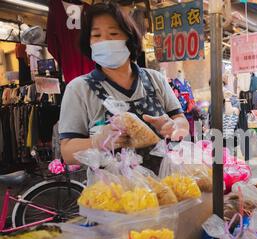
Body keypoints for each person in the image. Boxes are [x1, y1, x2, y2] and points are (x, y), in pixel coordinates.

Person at [58, 2, 189, 172]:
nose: (104, 41)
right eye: (96, 35)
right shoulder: (79, 88)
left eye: (113, 33)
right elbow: (67, 152)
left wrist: (173, 127)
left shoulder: (155, 79)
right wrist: (97, 141)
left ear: (129, 39)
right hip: (112, 194)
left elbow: (182, 122)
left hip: (164, 188)